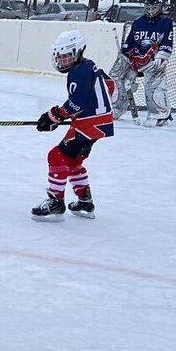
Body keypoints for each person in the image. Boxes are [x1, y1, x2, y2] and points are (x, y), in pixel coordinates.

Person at [32, 30, 115, 221]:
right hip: (99, 123)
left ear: (78, 52)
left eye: (67, 56)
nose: (63, 60)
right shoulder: (90, 66)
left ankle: (56, 203)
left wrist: (53, 116)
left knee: (56, 156)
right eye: (60, 56)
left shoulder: (78, 72)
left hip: (89, 124)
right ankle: (85, 202)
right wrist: (94, 108)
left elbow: (77, 103)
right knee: (73, 161)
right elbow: (110, 85)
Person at [109, 0, 173, 127]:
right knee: (116, 76)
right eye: (148, 7)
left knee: (154, 83)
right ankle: (117, 107)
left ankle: (160, 114)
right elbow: (130, 42)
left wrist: (161, 58)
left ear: (161, 7)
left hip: (152, 60)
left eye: (154, 7)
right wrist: (125, 56)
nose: (151, 10)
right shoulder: (138, 22)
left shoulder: (166, 22)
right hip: (135, 59)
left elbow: (167, 41)